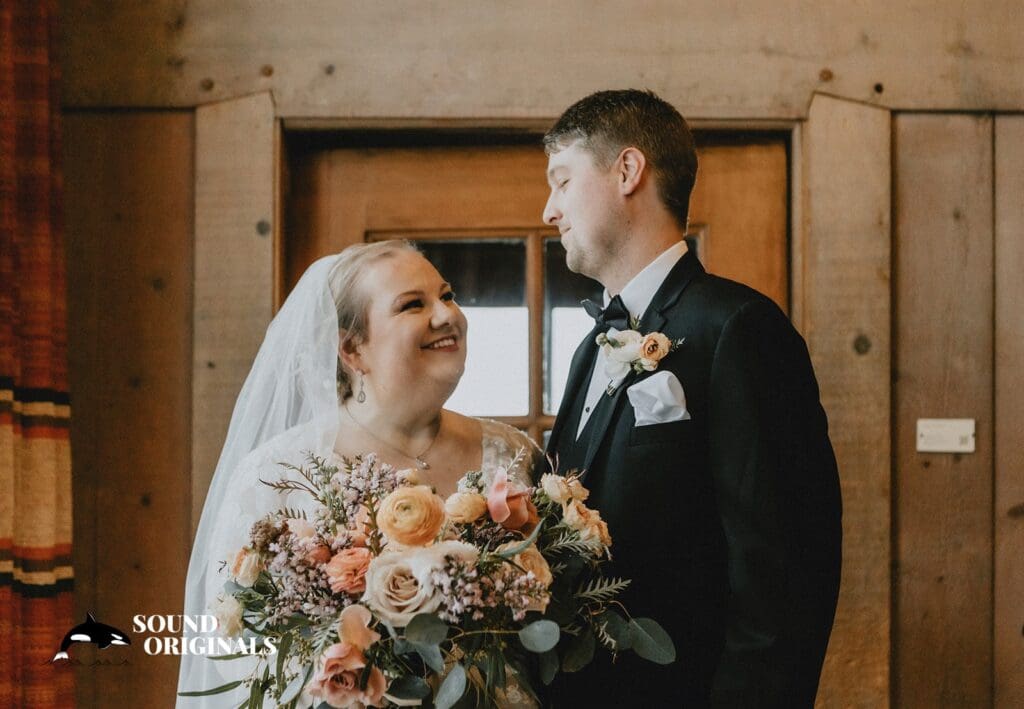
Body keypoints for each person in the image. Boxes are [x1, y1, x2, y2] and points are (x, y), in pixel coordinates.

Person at [543, 90, 842, 707]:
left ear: (628, 171)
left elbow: (784, 573)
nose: (549, 210)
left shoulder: (738, 328)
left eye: (562, 181)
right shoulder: (588, 350)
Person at [177, 241, 541, 707]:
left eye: (446, 295)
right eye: (414, 304)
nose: (447, 314)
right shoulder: (275, 474)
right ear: (352, 349)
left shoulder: (510, 454)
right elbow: (239, 653)